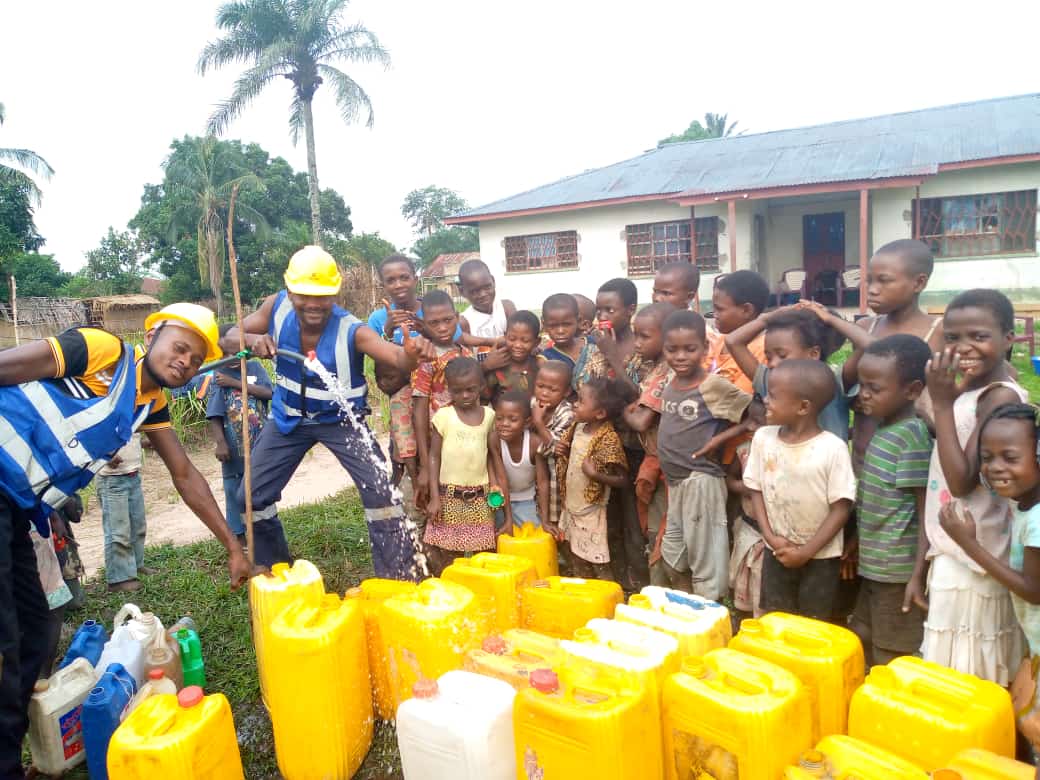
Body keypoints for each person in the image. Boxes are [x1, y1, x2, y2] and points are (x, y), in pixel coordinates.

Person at [0, 301, 248, 777]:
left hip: (15, 506)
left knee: (36, 627)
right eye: (180, 347)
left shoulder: (149, 403)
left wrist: (233, 548)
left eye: (196, 359)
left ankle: (16, 753)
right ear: (151, 337)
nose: (185, 362)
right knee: (6, 640)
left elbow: (185, 475)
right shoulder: (101, 351)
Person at [224, 245, 436, 577]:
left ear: (335, 294)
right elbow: (229, 336)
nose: (313, 304)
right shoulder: (275, 307)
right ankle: (275, 572)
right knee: (250, 497)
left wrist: (411, 355)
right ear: (290, 291)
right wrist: (250, 340)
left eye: (322, 296)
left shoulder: (352, 329)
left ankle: (398, 577)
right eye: (304, 295)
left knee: (382, 494)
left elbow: (396, 358)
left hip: (343, 422)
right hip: (288, 418)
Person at [921, 289, 1028, 684]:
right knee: (956, 663)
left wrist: (941, 405)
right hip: (958, 545)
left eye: (979, 336)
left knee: (969, 671)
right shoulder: (972, 388)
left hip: (976, 553)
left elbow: (962, 481)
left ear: (1008, 338)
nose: (963, 347)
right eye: (952, 337)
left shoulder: (998, 397)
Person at [937, 403, 1040, 751]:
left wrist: (968, 544)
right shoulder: (1025, 502)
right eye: (987, 457)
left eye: (1010, 457)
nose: (995, 467)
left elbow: (1033, 590)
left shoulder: (1037, 521)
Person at [743, 359, 857, 620]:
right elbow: (756, 489)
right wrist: (770, 537)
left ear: (803, 406)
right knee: (776, 620)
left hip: (820, 557)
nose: (765, 400)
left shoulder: (832, 448)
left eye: (773, 396)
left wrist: (806, 552)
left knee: (813, 624)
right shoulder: (763, 439)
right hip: (777, 551)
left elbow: (841, 509)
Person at [651, 310, 750, 599]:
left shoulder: (711, 385)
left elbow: (754, 415)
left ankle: (710, 610)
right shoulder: (672, 381)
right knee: (673, 554)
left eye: (690, 349)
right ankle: (688, 604)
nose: (680, 356)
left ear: (705, 348)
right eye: (672, 349)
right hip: (677, 482)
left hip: (701, 480)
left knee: (706, 559)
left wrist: (718, 439)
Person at [848, 335, 934, 666]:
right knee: (862, 632)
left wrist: (917, 575)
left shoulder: (911, 437)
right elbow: (878, 500)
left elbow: (925, 511)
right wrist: (857, 541)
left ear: (912, 390)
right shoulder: (885, 429)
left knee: (891, 651)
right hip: (875, 564)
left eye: (874, 388)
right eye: (861, 385)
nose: (863, 394)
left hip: (898, 573)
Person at [575, 278, 651, 589]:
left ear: (630, 310)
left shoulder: (644, 348)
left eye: (610, 309)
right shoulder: (593, 345)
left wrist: (613, 357)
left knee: (633, 516)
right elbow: (581, 387)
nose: (603, 316)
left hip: (633, 446)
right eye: (599, 310)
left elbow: (639, 397)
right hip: (599, 443)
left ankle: (638, 581)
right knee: (605, 515)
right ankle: (614, 579)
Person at [844, 239, 943, 473]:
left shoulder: (939, 332)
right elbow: (850, 385)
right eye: (869, 281)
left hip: (909, 466)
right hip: (863, 460)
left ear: (919, 282)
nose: (872, 289)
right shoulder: (865, 327)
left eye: (884, 280)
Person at [726, 304, 867, 442]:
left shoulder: (835, 383)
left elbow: (867, 346)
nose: (772, 363)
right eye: (768, 357)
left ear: (813, 353)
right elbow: (733, 341)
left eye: (782, 355)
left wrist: (829, 318)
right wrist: (768, 318)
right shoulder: (769, 381)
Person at [424, 357, 511, 574]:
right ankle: (451, 589)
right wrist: (434, 497)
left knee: (484, 554)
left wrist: (497, 490)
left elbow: (493, 457)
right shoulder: (444, 417)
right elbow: (434, 457)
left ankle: (479, 589)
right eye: (457, 391)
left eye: (470, 390)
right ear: (448, 389)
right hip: (448, 496)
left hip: (480, 498)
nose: (464, 396)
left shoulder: (489, 416)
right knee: (449, 556)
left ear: (481, 386)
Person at [619, 302, 676, 586]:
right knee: (655, 528)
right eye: (636, 335)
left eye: (644, 336)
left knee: (662, 531)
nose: (637, 343)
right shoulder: (654, 368)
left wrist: (622, 409)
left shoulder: (666, 372)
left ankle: (662, 591)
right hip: (655, 460)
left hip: (665, 464)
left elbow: (641, 420)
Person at [556, 377, 631, 580]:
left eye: (581, 401)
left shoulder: (608, 439)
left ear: (600, 413)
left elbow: (623, 479)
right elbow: (571, 455)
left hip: (592, 510)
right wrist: (563, 450)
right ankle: (584, 590)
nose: (574, 404)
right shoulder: (577, 428)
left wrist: (595, 475)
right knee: (576, 553)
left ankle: (607, 592)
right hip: (573, 505)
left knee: (598, 559)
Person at [206, 330, 274, 548]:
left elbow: (269, 393)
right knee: (234, 489)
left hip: (260, 444)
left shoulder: (255, 368)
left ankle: (264, 530)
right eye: (225, 353)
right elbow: (215, 413)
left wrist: (235, 383)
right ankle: (239, 536)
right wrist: (220, 443)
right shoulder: (218, 376)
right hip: (233, 449)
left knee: (260, 486)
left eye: (235, 351)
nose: (231, 357)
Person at [410, 290, 473, 509]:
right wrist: (425, 464)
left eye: (447, 320)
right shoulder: (426, 359)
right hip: (436, 444)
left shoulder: (466, 354)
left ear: (457, 317)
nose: (443, 327)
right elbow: (418, 411)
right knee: (439, 501)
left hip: (465, 442)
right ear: (424, 324)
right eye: (434, 323)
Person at [726, 397, 768, 617]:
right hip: (749, 526)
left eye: (758, 422)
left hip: (770, 533)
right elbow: (730, 478)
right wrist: (743, 487)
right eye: (749, 420)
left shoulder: (781, 455)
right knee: (745, 577)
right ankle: (743, 619)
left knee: (764, 585)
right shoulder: (744, 451)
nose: (750, 427)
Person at [367, 253, 463, 345]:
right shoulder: (377, 319)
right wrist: (387, 332)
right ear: (383, 286)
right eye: (390, 281)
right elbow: (376, 356)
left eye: (404, 278)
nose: (398, 285)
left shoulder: (439, 310)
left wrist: (426, 332)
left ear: (415, 280)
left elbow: (456, 348)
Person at [96, 435, 150, 592]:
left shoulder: (128, 419)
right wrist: (106, 454)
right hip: (111, 479)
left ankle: (135, 565)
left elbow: (131, 437)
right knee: (118, 531)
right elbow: (91, 437)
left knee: (138, 525)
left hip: (132, 475)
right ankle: (118, 579)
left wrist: (143, 443)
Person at [531, 360, 576, 541]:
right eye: (540, 386)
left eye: (552, 389)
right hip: (534, 474)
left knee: (558, 518)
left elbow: (555, 449)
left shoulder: (567, 414)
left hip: (557, 476)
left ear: (566, 392)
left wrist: (538, 423)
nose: (544, 393)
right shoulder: (533, 404)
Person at [707, 270, 771, 394]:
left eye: (719, 309)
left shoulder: (763, 350)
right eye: (714, 308)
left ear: (747, 310)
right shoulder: (718, 342)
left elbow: (741, 396)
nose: (714, 315)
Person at [495, 390, 540, 528]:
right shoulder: (494, 440)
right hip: (502, 500)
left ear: (527, 422)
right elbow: (501, 479)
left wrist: (546, 519)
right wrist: (508, 519)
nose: (504, 423)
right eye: (499, 418)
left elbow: (543, 482)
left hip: (528, 499)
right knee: (500, 535)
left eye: (512, 419)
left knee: (534, 534)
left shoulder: (534, 443)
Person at [457, 258, 516, 354]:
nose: (483, 294)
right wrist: (488, 363)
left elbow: (519, 338)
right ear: (462, 291)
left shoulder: (506, 308)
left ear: (493, 281)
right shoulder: (464, 322)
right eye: (475, 291)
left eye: (487, 287)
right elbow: (468, 358)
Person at [484, 311, 541, 402]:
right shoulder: (496, 366)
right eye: (512, 339)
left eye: (525, 340)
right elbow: (484, 397)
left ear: (536, 342)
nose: (517, 345)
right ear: (505, 336)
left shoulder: (539, 365)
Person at [540, 293, 588, 369]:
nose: (560, 331)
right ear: (544, 324)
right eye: (553, 325)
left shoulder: (593, 343)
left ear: (578, 321)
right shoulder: (545, 359)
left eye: (567, 324)